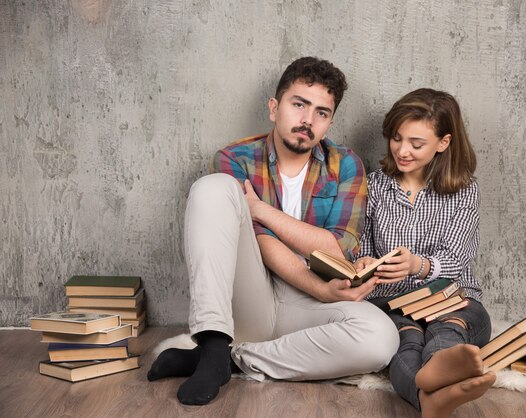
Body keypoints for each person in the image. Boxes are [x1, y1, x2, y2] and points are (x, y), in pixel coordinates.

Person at [147, 57, 399, 405]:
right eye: (299, 105)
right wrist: (318, 284)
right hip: (250, 298)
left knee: (381, 338)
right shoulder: (235, 159)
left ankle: (229, 361)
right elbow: (259, 241)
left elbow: (337, 247)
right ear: (274, 107)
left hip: (308, 306)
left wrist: (261, 209)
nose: (308, 120)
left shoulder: (346, 164)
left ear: (329, 123)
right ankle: (214, 340)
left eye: (321, 113)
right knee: (212, 188)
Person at [353, 88, 496, 418]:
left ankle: (436, 370)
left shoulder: (463, 191)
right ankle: (428, 397)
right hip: (391, 304)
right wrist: (362, 262)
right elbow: (361, 247)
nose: (402, 151)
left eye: (416, 144)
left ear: (443, 143)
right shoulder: (374, 186)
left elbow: (456, 258)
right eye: (397, 138)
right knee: (407, 339)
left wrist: (417, 265)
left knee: (449, 329)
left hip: (452, 299)